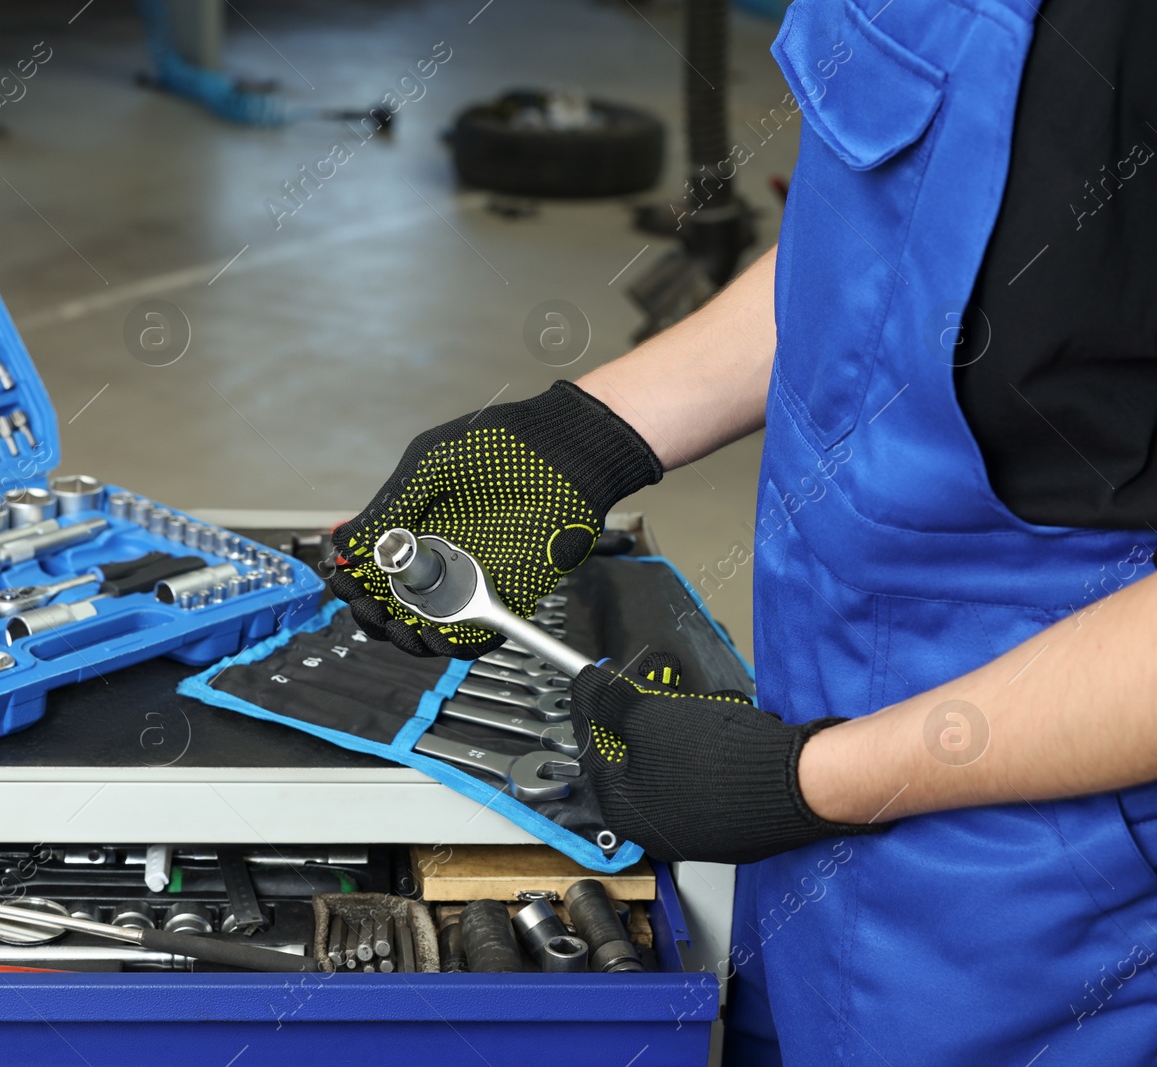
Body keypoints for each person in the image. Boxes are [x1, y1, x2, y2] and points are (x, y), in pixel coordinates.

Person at [329, 0, 1157, 1060]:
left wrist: (818, 779)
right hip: (808, 811)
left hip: (1067, 902)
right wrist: (595, 432)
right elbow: (882, 240)